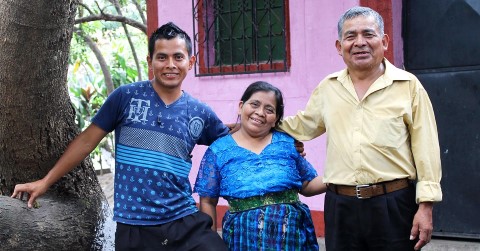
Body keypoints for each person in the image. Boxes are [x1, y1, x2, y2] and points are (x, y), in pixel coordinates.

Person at [11, 22, 229, 251]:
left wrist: (261, 125)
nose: (170, 65)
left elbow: (232, 143)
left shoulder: (200, 113)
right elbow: (86, 142)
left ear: (190, 62)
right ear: (150, 61)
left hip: (183, 219)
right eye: (162, 57)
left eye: (178, 57)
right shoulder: (125, 97)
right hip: (133, 226)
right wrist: (45, 182)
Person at [278, 6, 442, 251]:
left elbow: (426, 148)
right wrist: (246, 125)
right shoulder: (328, 88)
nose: (360, 43)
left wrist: (426, 206)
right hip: (340, 206)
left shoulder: (408, 86)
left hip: (393, 204)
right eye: (350, 36)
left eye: (368, 34)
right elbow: (301, 126)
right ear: (339, 46)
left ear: (384, 41)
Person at [194, 81, 326, 251]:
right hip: (242, 240)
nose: (260, 113)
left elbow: (307, 184)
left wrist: (337, 177)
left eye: (269, 109)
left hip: (292, 240)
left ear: (276, 119)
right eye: (254, 104)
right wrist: (210, 245)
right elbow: (208, 202)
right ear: (241, 106)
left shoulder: (287, 144)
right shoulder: (218, 150)